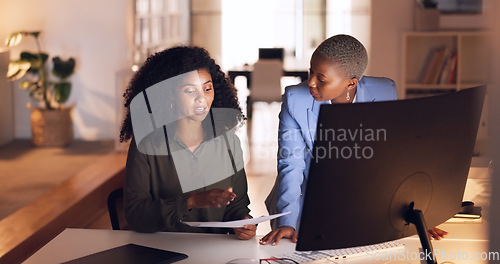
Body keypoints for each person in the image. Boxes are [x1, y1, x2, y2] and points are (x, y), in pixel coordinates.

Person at [260, 34, 447, 245]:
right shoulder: (295, 99)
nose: (310, 82)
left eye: (321, 79)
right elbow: (291, 164)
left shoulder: (384, 92)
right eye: (311, 71)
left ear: (351, 83)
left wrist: (417, 215)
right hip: (305, 199)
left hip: (363, 198)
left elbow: (392, 159)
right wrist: (288, 222)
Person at [119, 46, 256, 240]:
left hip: (215, 253)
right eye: (190, 90)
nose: (202, 98)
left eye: (207, 88)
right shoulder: (147, 145)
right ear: (169, 95)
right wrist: (190, 201)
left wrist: (242, 222)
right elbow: (135, 214)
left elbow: (237, 205)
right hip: (162, 250)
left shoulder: (229, 143)